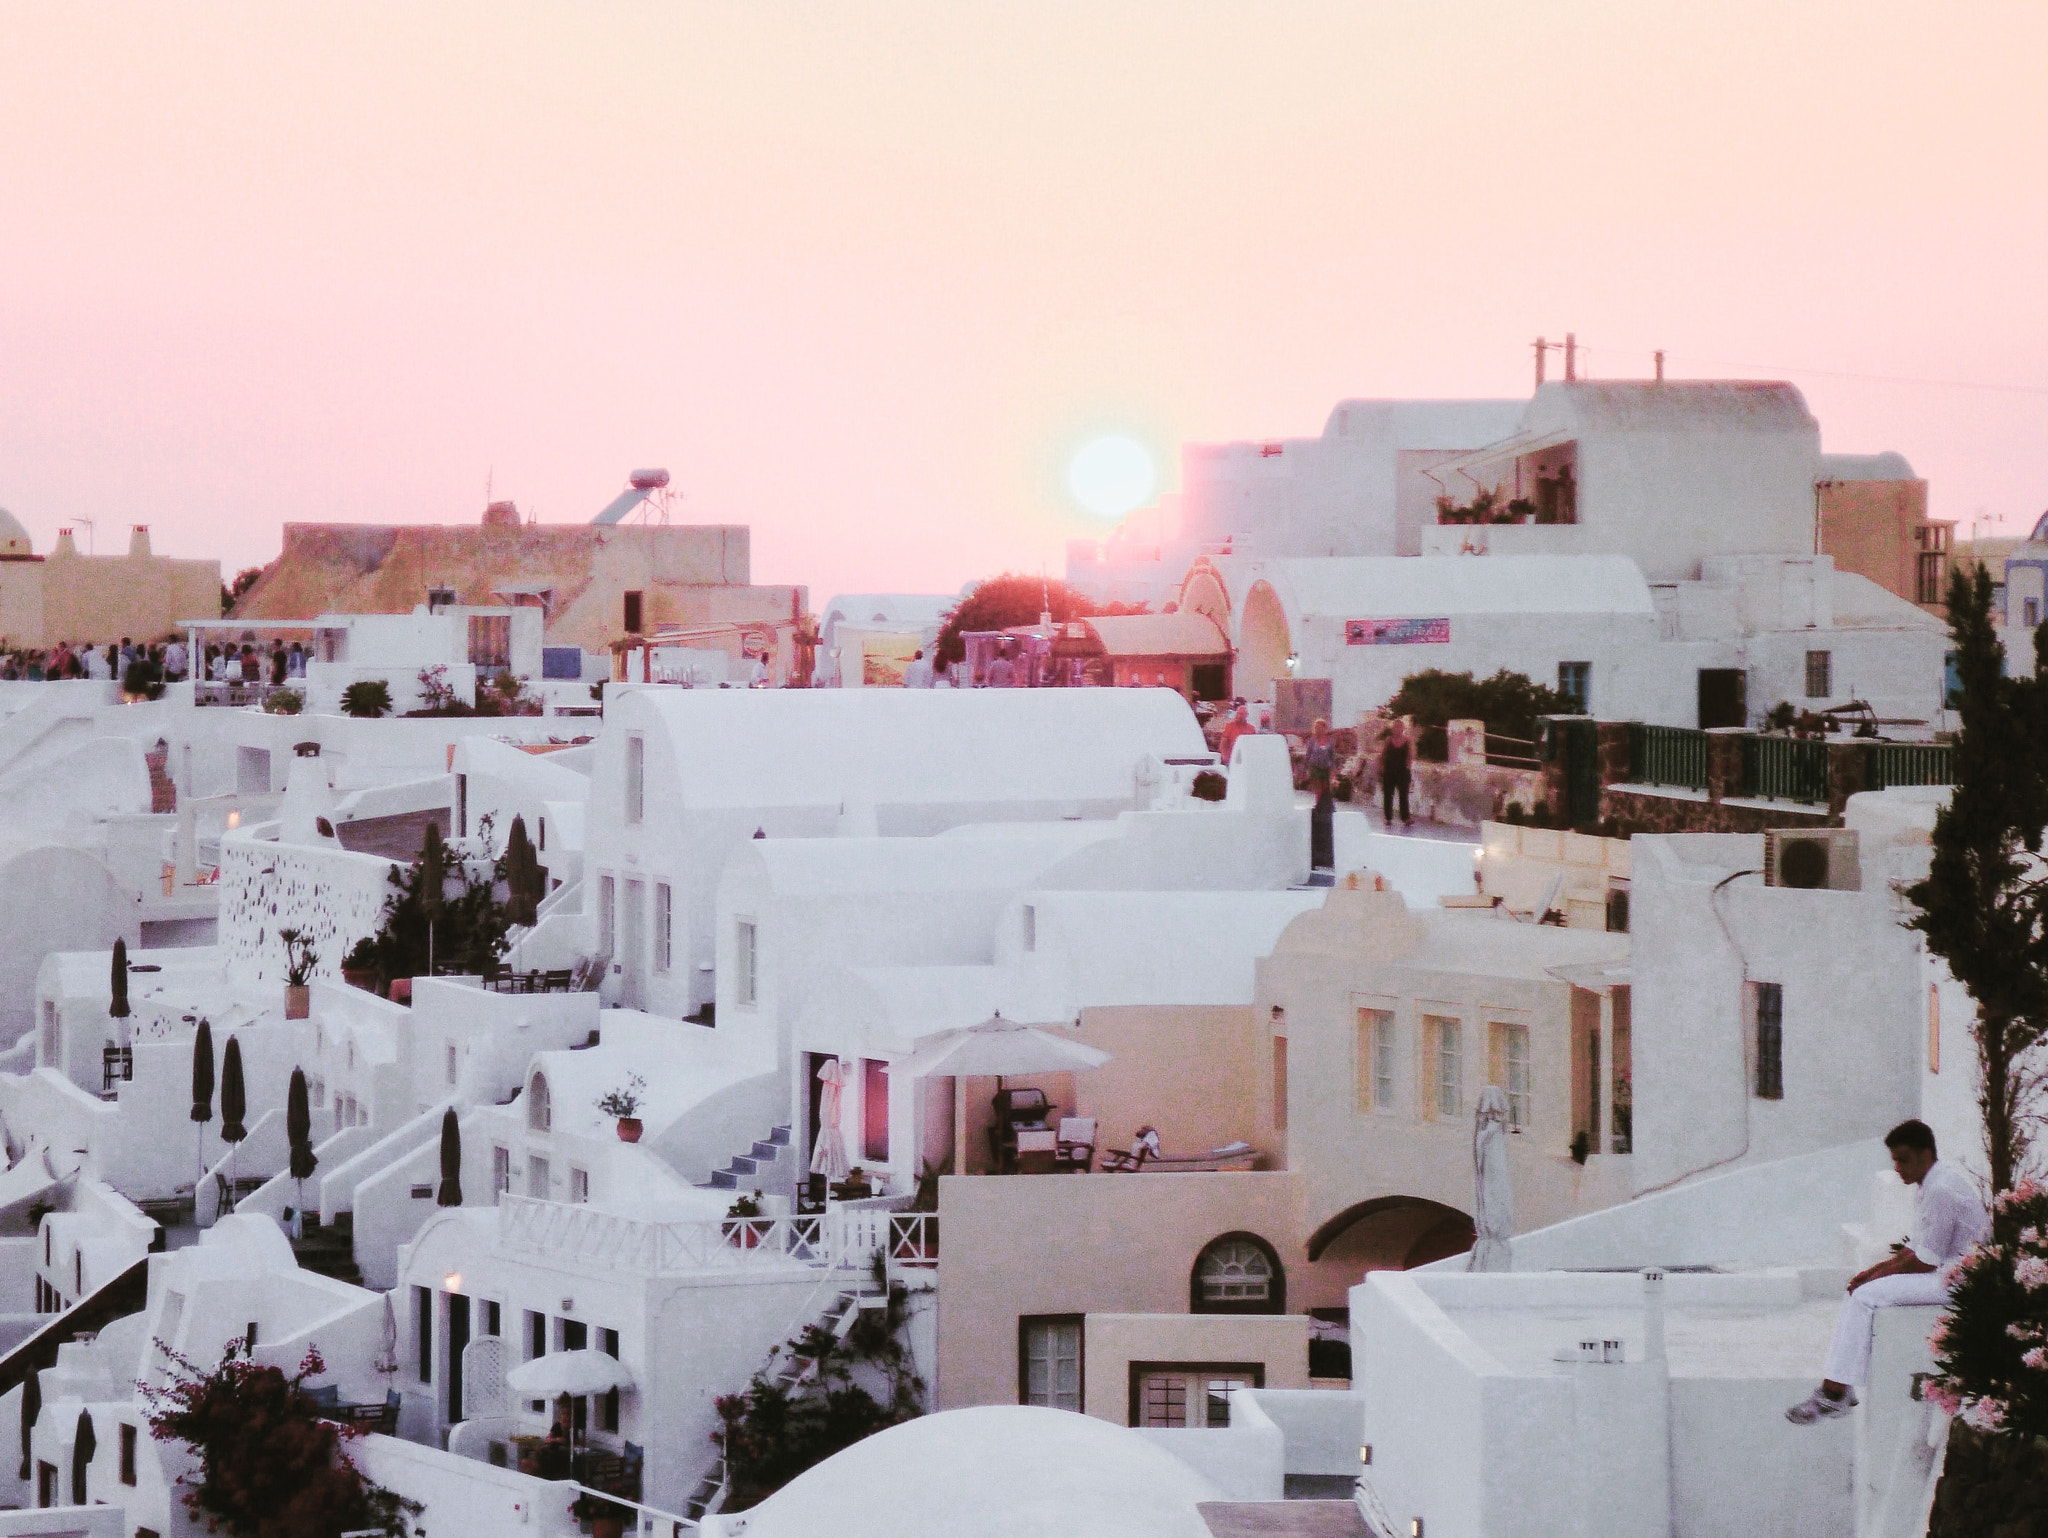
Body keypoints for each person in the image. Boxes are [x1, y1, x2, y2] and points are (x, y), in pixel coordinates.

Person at [1785, 1119, 1988, 1423]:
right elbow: (1914, 1251)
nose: (1897, 1168)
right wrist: (1871, 1272)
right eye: (1894, 1160)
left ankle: (1835, 1393)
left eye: (1903, 1159)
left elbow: (1925, 1261)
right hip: (1944, 1272)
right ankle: (1837, 1387)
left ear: (1925, 1155)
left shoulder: (1942, 1191)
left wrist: (1873, 1277)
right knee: (1860, 1289)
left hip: (1959, 1280)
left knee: (1865, 1296)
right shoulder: (1929, 1186)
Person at [1380, 716, 1413, 827]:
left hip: (1402, 771)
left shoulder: (1407, 740)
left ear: (1403, 728)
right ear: (1392, 728)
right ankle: (1388, 818)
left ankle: (1405, 818)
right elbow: (1383, 755)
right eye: (1395, 727)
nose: (1397, 729)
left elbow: (1410, 756)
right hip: (1389, 771)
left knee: (1403, 795)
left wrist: (1408, 767)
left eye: (1400, 727)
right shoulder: (1388, 740)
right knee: (1388, 795)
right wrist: (1382, 768)